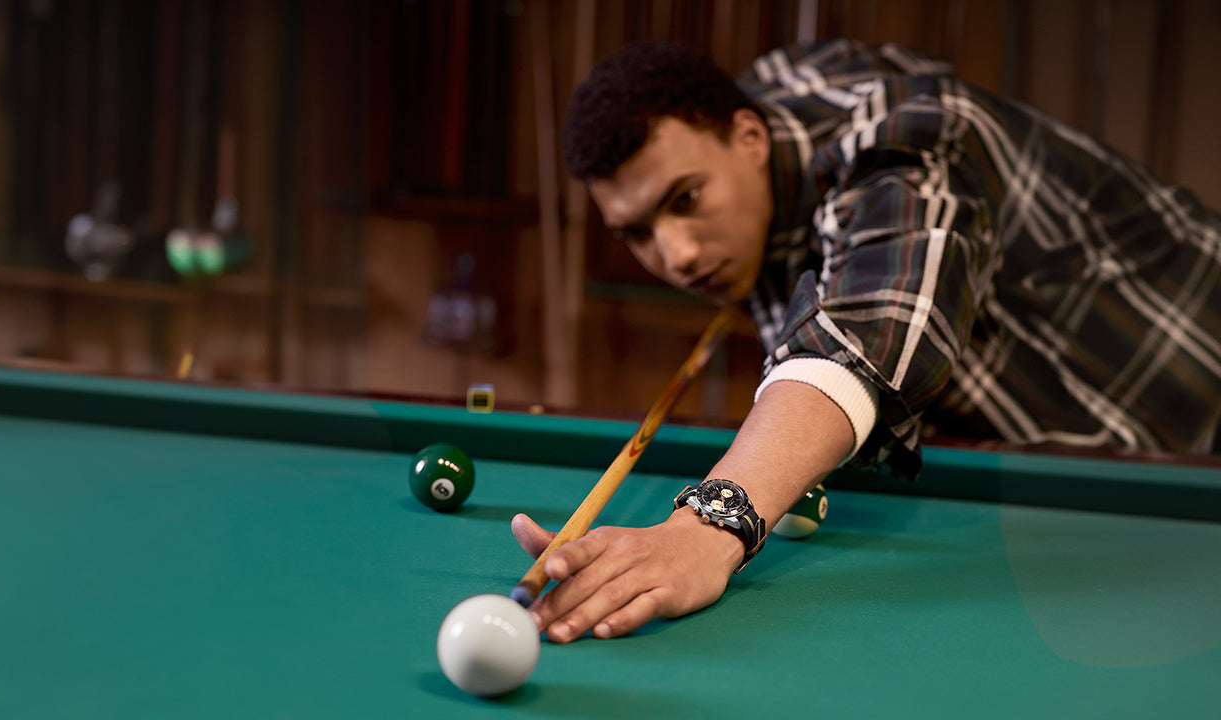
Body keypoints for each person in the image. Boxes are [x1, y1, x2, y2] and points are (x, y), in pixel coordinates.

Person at [510, 39, 1221, 644]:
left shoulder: (907, 139)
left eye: (686, 198)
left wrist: (707, 525)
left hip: (1192, 388)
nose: (678, 255)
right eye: (637, 232)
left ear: (750, 138)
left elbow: (876, 326)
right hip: (1085, 458)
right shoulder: (762, 123)